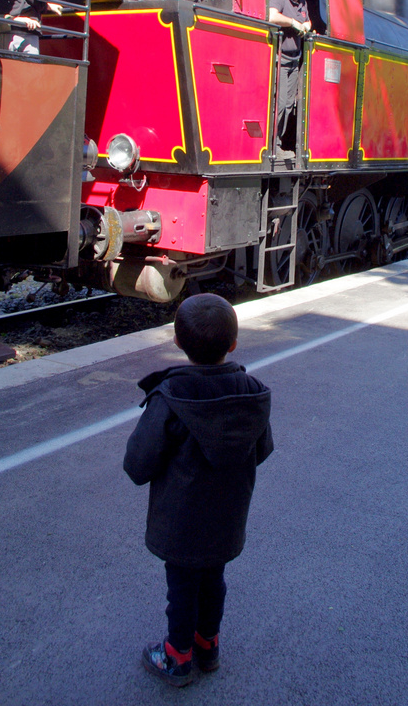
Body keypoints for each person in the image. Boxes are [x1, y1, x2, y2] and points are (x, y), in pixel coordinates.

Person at [123, 293, 273, 687]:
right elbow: (262, 450)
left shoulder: (171, 398)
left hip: (182, 518)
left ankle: (176, 657)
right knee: (213, 580)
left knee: (183, 586)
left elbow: (138, 463)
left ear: (177, 342)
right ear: (234, 344)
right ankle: (208, 647)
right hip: (227, 514)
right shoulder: (252, 392)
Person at [268, 0, 312, 156]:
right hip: (280, 59)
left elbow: (308, 21)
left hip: (294, 61)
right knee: (279, 102)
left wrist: (307, 25)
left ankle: (278, 143)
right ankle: (271, 145)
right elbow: (271, 16)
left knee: (288, 105)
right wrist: (293, 23)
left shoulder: (302, 4)